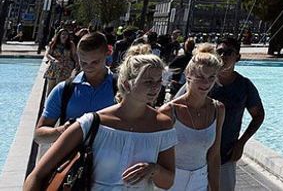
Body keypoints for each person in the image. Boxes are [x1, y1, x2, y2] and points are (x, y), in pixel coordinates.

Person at [24, 53, 177, 190]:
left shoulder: (162, 125)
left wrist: (153, 170)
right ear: (126, 84)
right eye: (148, 81)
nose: (156, 87)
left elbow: (167, 182)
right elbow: (38, 175)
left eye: (159, 81)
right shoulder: (92, 123)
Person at [180, 37, 263, 191]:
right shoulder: (202, 81)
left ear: (238, 56)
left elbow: (258, 115)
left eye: (229, 52)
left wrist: (241, 143)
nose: (224, 56)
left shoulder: (244, 86)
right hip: (194, 156)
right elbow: (177, 105)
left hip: (226, 155)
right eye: (220, 52)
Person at [35, 32, 116, 157]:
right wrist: (61, 130)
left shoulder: (121, 89)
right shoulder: (63, 90)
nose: (89, 67)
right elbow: (39, 135)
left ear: (108, 53)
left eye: (95, 62)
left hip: (111, 167)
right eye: (84, 63)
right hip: (71, 167)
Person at [161, 44, 224, 190]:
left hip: (200, 181)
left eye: (211, 77)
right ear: (188, 75)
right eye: (200, 76)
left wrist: (215, 188)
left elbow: (214, 155)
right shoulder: (169, 111)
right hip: (171, 182)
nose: (206, 83)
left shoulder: (218, 109)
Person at [42, 28, 77, 96]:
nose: (65, 35)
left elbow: (74, 55)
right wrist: (54, 60)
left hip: (66, 68)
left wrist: (77, 63)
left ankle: (58, 104)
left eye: (66, 34)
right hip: (54, 67)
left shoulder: (71, 44)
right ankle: (48, 104)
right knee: (50, 87)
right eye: (63, 34)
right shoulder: (53, 43)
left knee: (60, 87)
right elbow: (47, 54)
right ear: (59, 35)